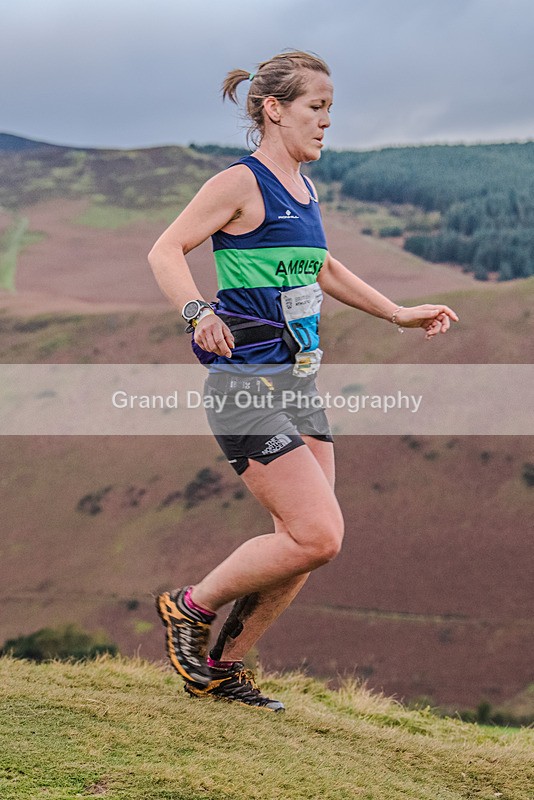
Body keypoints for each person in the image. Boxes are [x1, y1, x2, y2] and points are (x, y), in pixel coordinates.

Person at [148, 50, 458, 712]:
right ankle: (188, 607)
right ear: (274, 109)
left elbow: (324, 267)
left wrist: (400, 313)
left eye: (329, 111)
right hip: (245, 387)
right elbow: (165, 249)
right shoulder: (240, 183)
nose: (325, 123)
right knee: (319, 534)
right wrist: (197, 310)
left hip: (298, 389)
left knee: (305, 546)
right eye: (316, 109)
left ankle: (221, 669)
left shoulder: (304, 191)